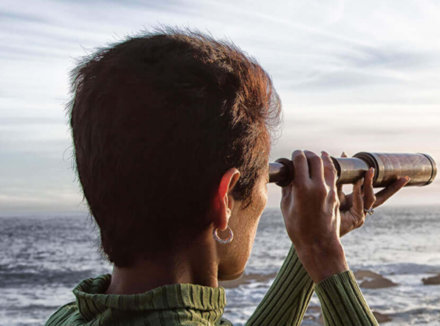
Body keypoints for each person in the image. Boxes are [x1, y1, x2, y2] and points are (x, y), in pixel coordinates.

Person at [45, 29, 409, 326]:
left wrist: (309, 249)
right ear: (224, 200)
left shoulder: (68, 318)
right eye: (261, 185)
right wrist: (324, 254)